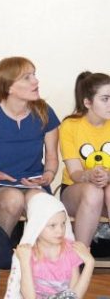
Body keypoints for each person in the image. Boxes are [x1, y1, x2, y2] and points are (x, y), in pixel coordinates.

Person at [0, 57, 60, 237]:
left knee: (44, 204)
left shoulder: (45, 112)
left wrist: (48, 175)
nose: (35, 81)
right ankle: (1, 248)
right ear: (9, 87)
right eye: (27, 77)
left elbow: (51, 157)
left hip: (33, 184)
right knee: (13, 200)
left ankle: (31, 252)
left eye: (34, 75)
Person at [59, 71, 110, 246]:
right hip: (76, 190)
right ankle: (81, 253)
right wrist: (89, 175)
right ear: (88, 102)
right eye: (105, 99)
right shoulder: (70, 126)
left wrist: (107, 176)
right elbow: (75, 173)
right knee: (94, 192)